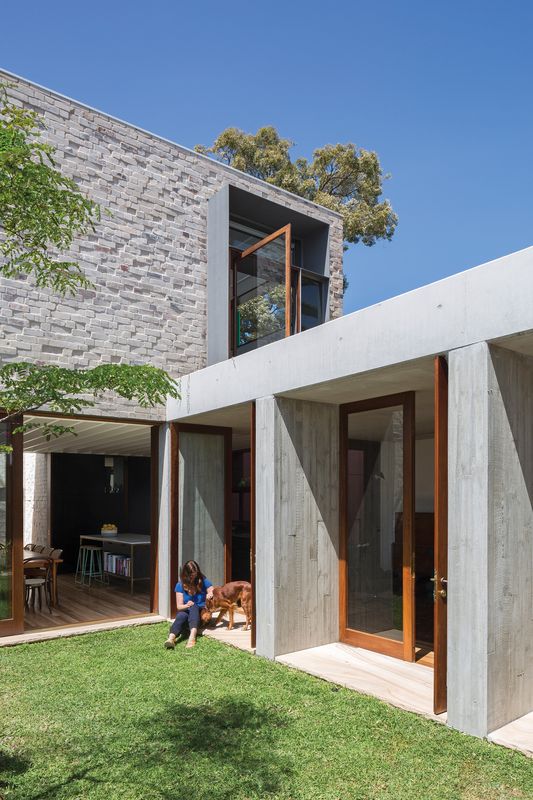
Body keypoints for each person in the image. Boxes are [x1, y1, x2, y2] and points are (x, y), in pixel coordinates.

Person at [164, 560, 214, 649]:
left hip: (201, 615)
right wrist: (187, 605)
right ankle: (171, 638)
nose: (194, 576)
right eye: (192, 574)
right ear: (186, 574)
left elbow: (211, 589)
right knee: (181, 615)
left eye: (196, 573)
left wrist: (210, 593)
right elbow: (179, 607)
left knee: (194, 606)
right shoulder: (180, 585)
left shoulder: (202, 580)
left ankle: (192, 636)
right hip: (188, 615)